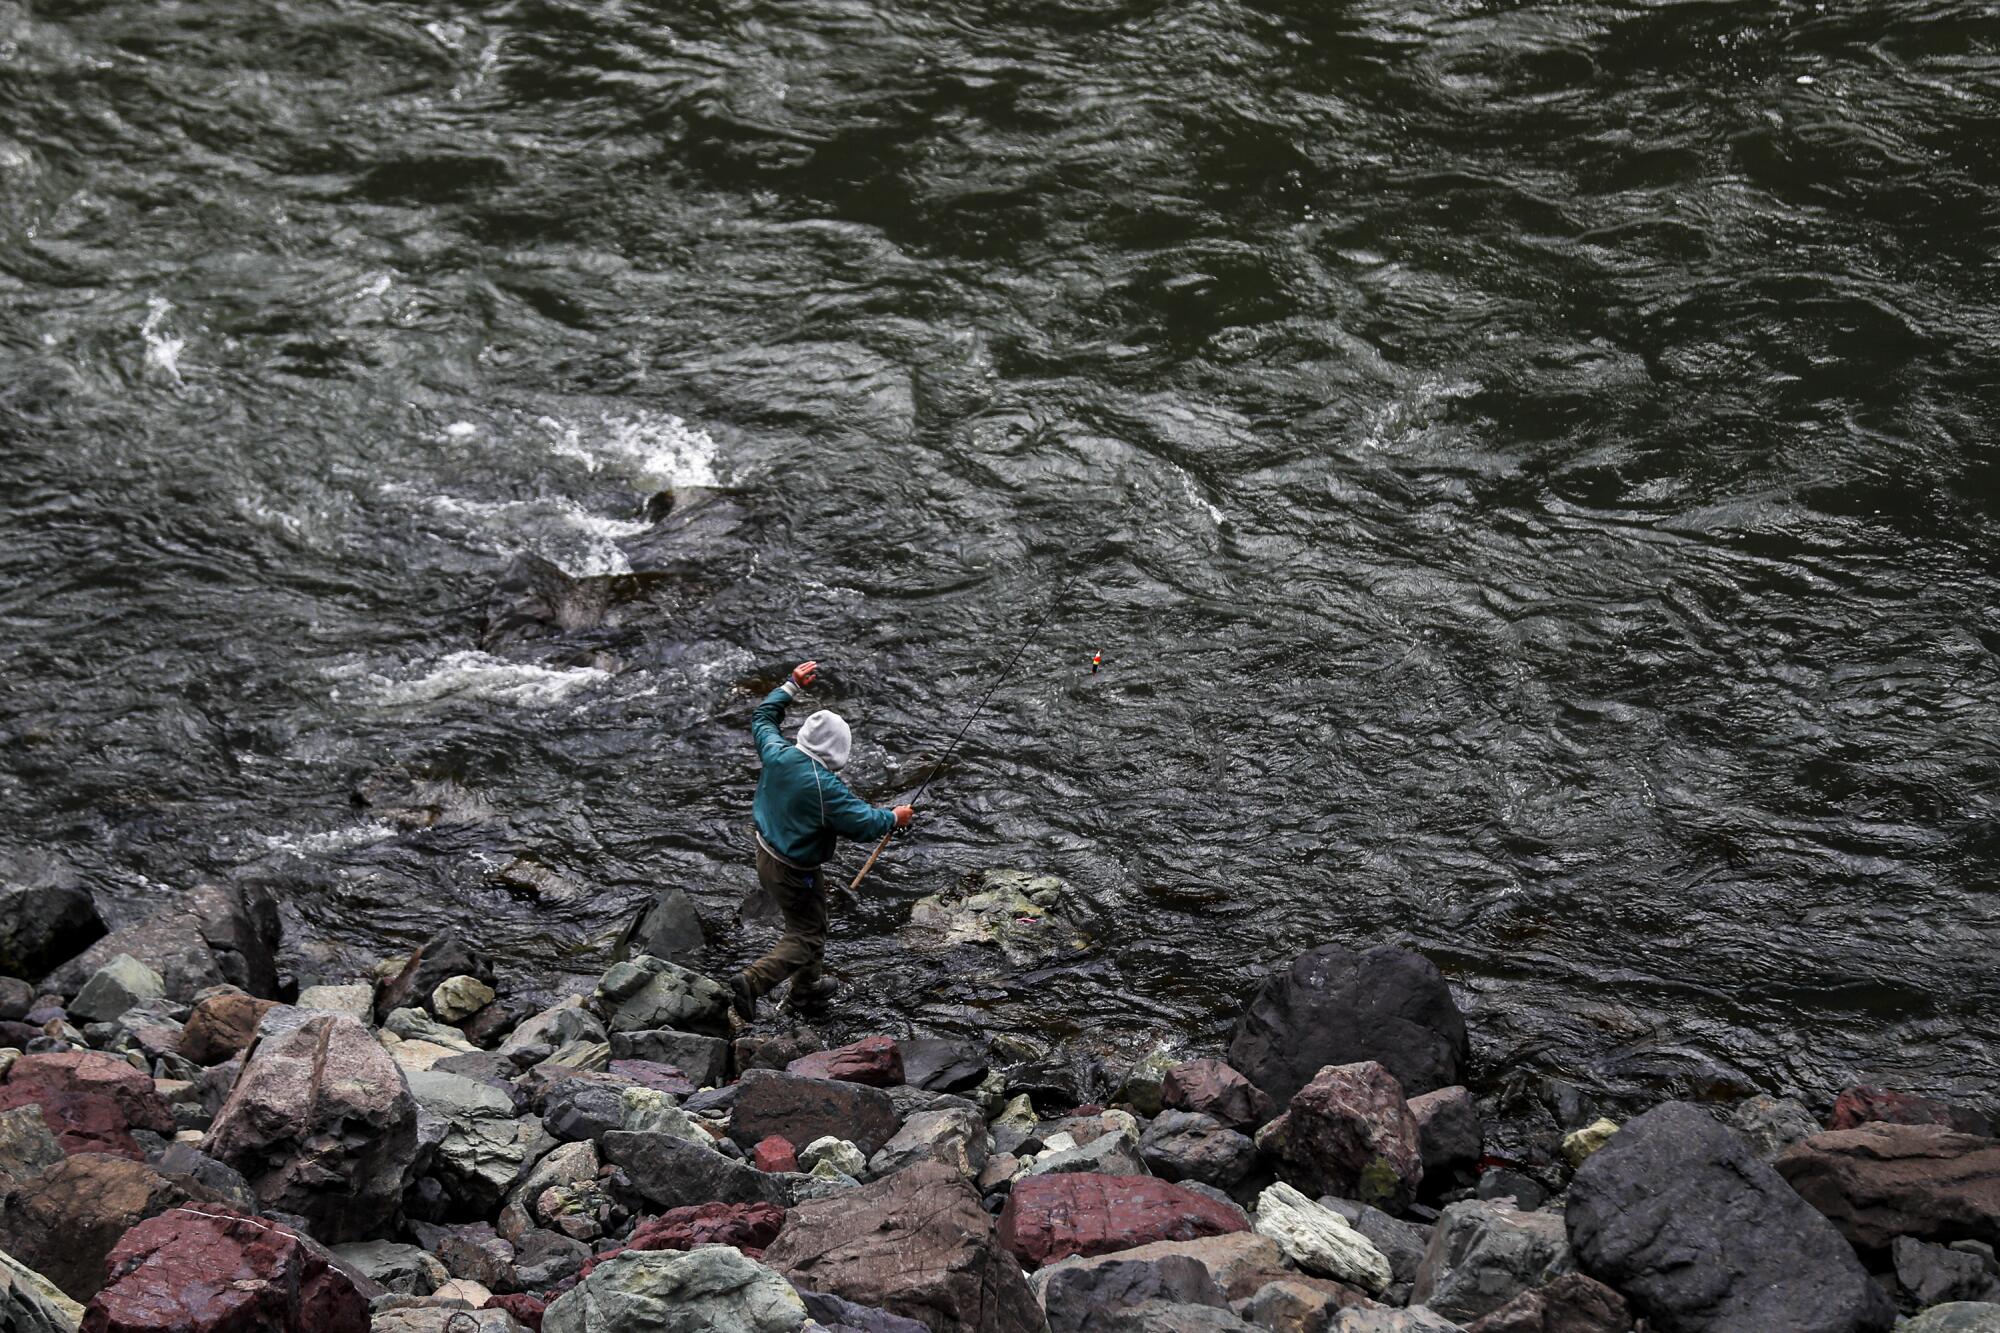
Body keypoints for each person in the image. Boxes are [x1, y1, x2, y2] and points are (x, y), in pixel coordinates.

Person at [728, 660, 912, 1018]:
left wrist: (791, 685)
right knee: (807, 935)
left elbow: (763, 719)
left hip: (766, 853)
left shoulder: (778, 753)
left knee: (814, 921)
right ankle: (754, 981)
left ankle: (807, 988)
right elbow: (862, 823)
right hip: (794, 870)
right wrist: (894, 817)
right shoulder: (824, 787)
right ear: (837, 751)